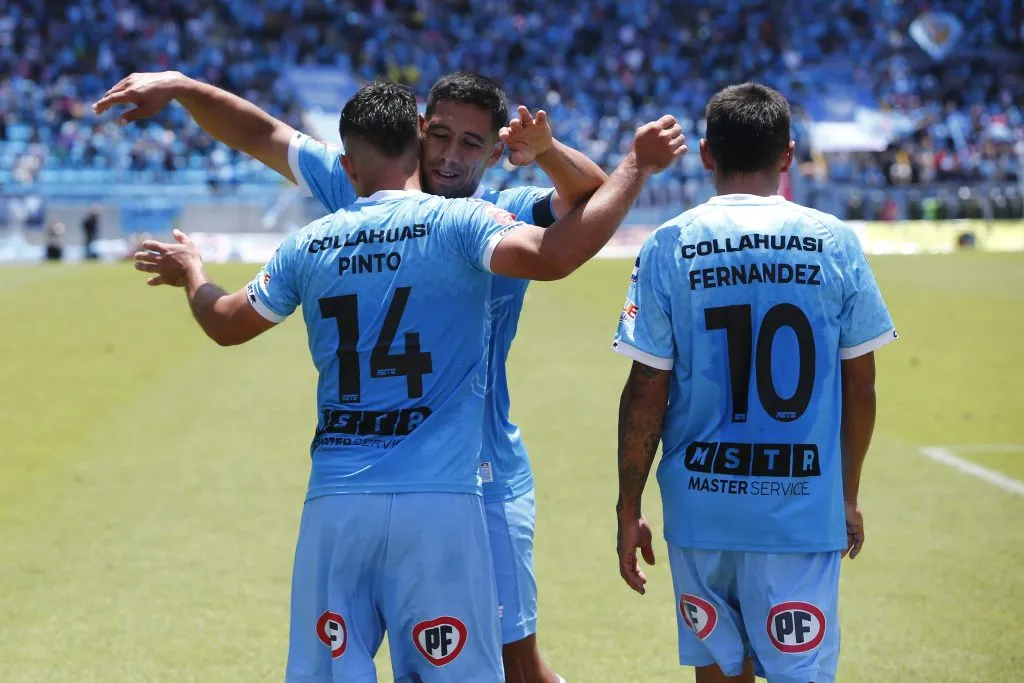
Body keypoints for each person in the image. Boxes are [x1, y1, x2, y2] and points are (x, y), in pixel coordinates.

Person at [133, 80, 685, 682]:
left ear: (497, 152)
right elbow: (262, 134)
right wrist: (184, 88)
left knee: (514, 660)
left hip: (478, 473)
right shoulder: (443, 211)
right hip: (439, 485)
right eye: (439, 135)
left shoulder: (499, 211)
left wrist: (549, 150)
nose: (450, 154)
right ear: (416, 129)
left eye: (471, 144)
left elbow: (592, 197)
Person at [611, 83, 896, 683]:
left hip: (701, 506)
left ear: (707, 153)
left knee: (718, 674)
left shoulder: (669, 244)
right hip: (800, 507)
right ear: (788, 155)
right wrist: (845, 493)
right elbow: (862, 386)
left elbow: (646, 391)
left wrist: (629, 504)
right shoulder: (835, 241)